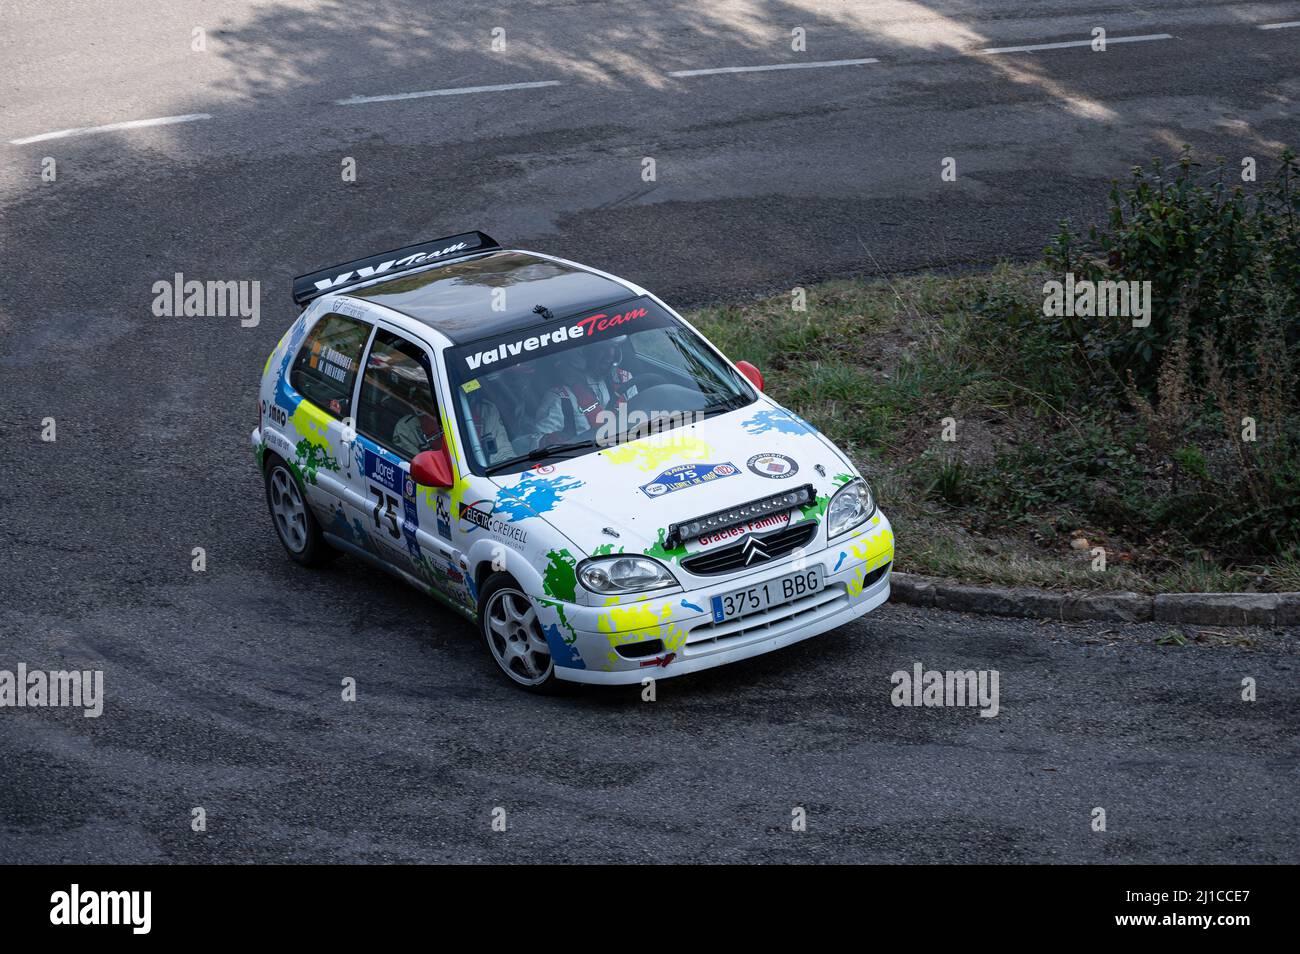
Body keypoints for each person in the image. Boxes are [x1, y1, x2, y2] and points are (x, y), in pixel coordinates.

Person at [528, 339, 637, 447]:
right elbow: (535, 444)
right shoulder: (560, 397)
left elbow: (642, 416)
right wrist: (550, 441)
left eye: (614, 347)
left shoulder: (625, 379)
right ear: (582, 352)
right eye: (602, 348)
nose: (611, 354)